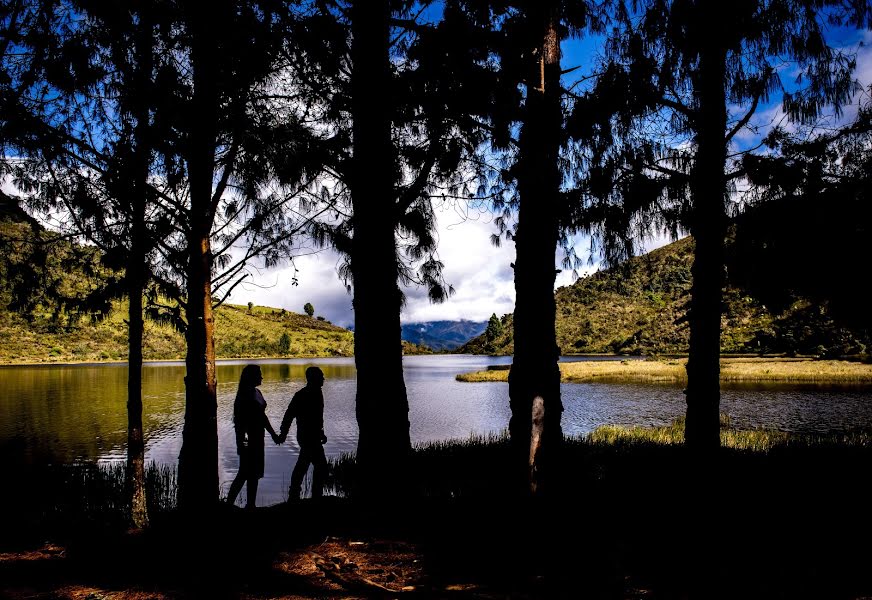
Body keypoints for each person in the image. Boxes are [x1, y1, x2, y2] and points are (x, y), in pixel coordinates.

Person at [226, 364, 280, 509]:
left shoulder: (257, 392)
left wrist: (273, 434)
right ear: (251, 377)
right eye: (259, 374)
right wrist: (243, 442)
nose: (261, 377)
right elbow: (240, 421)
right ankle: (228, 505)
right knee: (244, 473)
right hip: (248, 440)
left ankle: (251, 505)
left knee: (254, 473)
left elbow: (262, 417)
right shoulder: (244, 395)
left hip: (258, 438)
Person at [278, 366, 328, 500]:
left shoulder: (317, 393)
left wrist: (321, 433)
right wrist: (283, 434)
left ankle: (295, 494)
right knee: (318, 466)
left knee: (305, 464)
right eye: (321, 376)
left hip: (312, 436)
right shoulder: (302, 395)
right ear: (313, 378)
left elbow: (317, 418)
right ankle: (310, 495)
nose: (323, 379)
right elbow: (289, 415)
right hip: (307, 436)